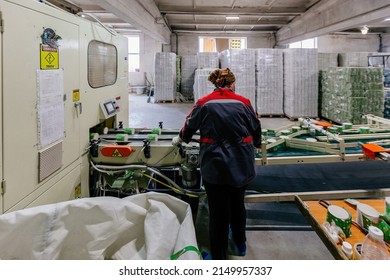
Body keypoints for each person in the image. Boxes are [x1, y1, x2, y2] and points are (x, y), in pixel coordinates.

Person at [172, 68, 262, 259]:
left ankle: (218, 258)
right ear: (232, 84)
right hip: (241, 163)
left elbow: (188, 130)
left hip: (216, 165)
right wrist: (257, 144)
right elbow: (256, 129)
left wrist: (179, 139)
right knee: (238, 206)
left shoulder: (204, 103)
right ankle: (240, 246)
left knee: (219, 213)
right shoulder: (244, 102)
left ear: (215, 84)